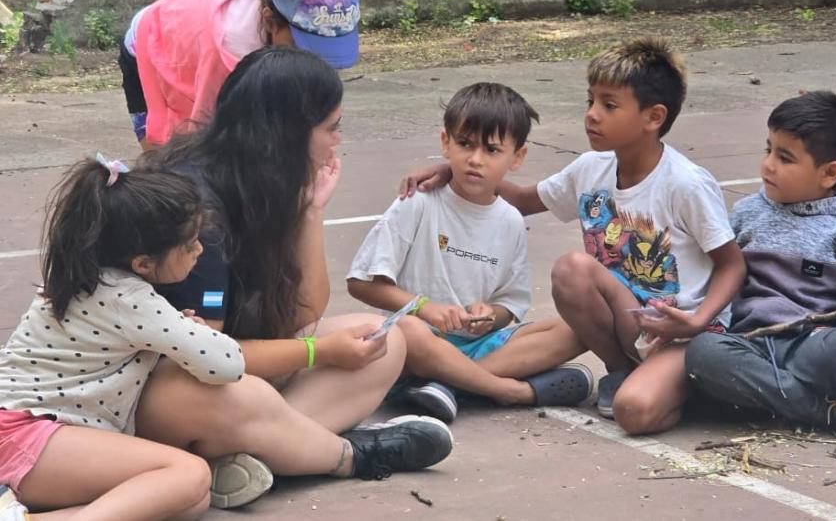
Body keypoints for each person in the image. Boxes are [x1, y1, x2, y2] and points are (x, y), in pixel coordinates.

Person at [134, 46, 453, 508]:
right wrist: (317, 351)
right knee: (241, 396)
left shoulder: (259, 182)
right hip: (163, 390)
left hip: (228, 375)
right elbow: (206, 356)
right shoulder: (198, 218)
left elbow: (303, 313)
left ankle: (257, 457)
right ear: (286, 133)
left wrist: (311, 212)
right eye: (331, 127)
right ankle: (325, 453)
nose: (337, 140)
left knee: (384, 339)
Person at [400, 37, 746, 435]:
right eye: (590, 100)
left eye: (609, 105)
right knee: (572, 271)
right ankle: (615, 371)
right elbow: (523, 200)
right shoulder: (591, 168)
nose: (592, 115)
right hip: (628, 322)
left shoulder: (685, 184)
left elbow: (732, 265)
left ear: (653, 117)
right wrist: (455, 170)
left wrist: (696, 321)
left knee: (634, 412)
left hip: (685, 335)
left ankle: (682, 387)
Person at [0, 156, 245, 520]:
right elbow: (226, 365)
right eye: (190, 243)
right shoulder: (129, 300)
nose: (200, 250)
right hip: (23, 435)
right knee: (189, 474)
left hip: (24, 433)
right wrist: (195, 331)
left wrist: (173, 328)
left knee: (186, 501)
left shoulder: (79, 278)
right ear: (142, 263)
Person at [347, 83, 591, 423]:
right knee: (410, 330)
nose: (475, 159)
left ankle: (448, 385)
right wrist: (424, 307)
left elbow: (509, 305)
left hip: (477, 346)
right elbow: (361, 283)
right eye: (465, 144)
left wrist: (490, 315)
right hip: (414, 351)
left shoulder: (510, 220)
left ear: (517, 157)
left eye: (492, 150)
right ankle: (510, 390)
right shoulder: (418, 202)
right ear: (445, 142)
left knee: (579, 328)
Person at [685, 91, 836, 432]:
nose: (768, 165)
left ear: (829, 173)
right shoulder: (747, 213)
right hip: (749, 344)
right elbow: (714, 271)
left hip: (814, 347)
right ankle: (830, 411)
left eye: (785, 158)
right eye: (768, 149)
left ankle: (769, 397)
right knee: (703, 352)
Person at [118, 0, 360, 148]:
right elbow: (203, 139)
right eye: (306, 48)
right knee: (168, 171)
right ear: (270, 21)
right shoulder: (231, 49)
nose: (316, 63)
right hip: (149, 45)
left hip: (195, 33)